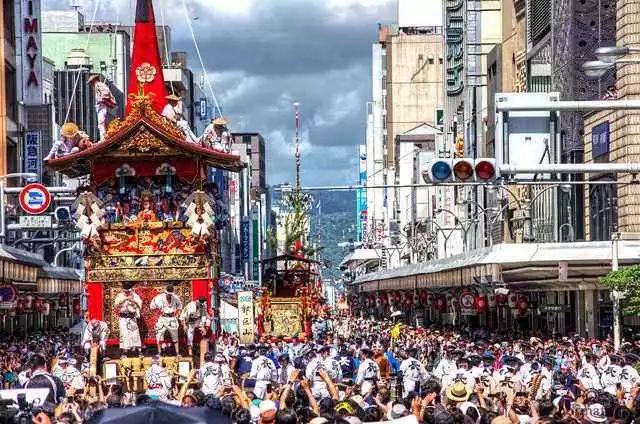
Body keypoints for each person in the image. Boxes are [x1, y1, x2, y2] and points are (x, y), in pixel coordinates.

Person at [150, 284, 183, 355]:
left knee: (175, 336)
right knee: (159, 334)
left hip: (172, 318)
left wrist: (177, 313)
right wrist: (158, 312)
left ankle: (177, 353)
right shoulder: (159, 298)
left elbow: (180, 307)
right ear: (165, 292)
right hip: (163, 318)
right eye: (168, 294)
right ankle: (159, 352)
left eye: (171, 294)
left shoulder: (176, 298)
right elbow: (152, 306)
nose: (169, 295)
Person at [113, 282, 143, 357]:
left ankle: (139, 351)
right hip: (123, 318)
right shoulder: (120, 296)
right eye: (125, 291)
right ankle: (124, 352)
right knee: (124, 335)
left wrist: (133, 301)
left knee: (135, 334)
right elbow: (116, 305)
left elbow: (140, 306)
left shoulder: (135, 296)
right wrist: (124, 300)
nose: (127, 292)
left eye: (128, 291)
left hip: (132, 318)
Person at [88, 74, 116, 141]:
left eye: (91, 82)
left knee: (101, 123)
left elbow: (106, 92)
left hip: (102, 105)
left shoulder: (99, 84)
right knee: (102, 123)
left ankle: (103, 138)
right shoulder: (98, 85)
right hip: (103, 105)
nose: (91, 84)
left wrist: (101, 99)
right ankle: (104, 137)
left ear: (94, 80)